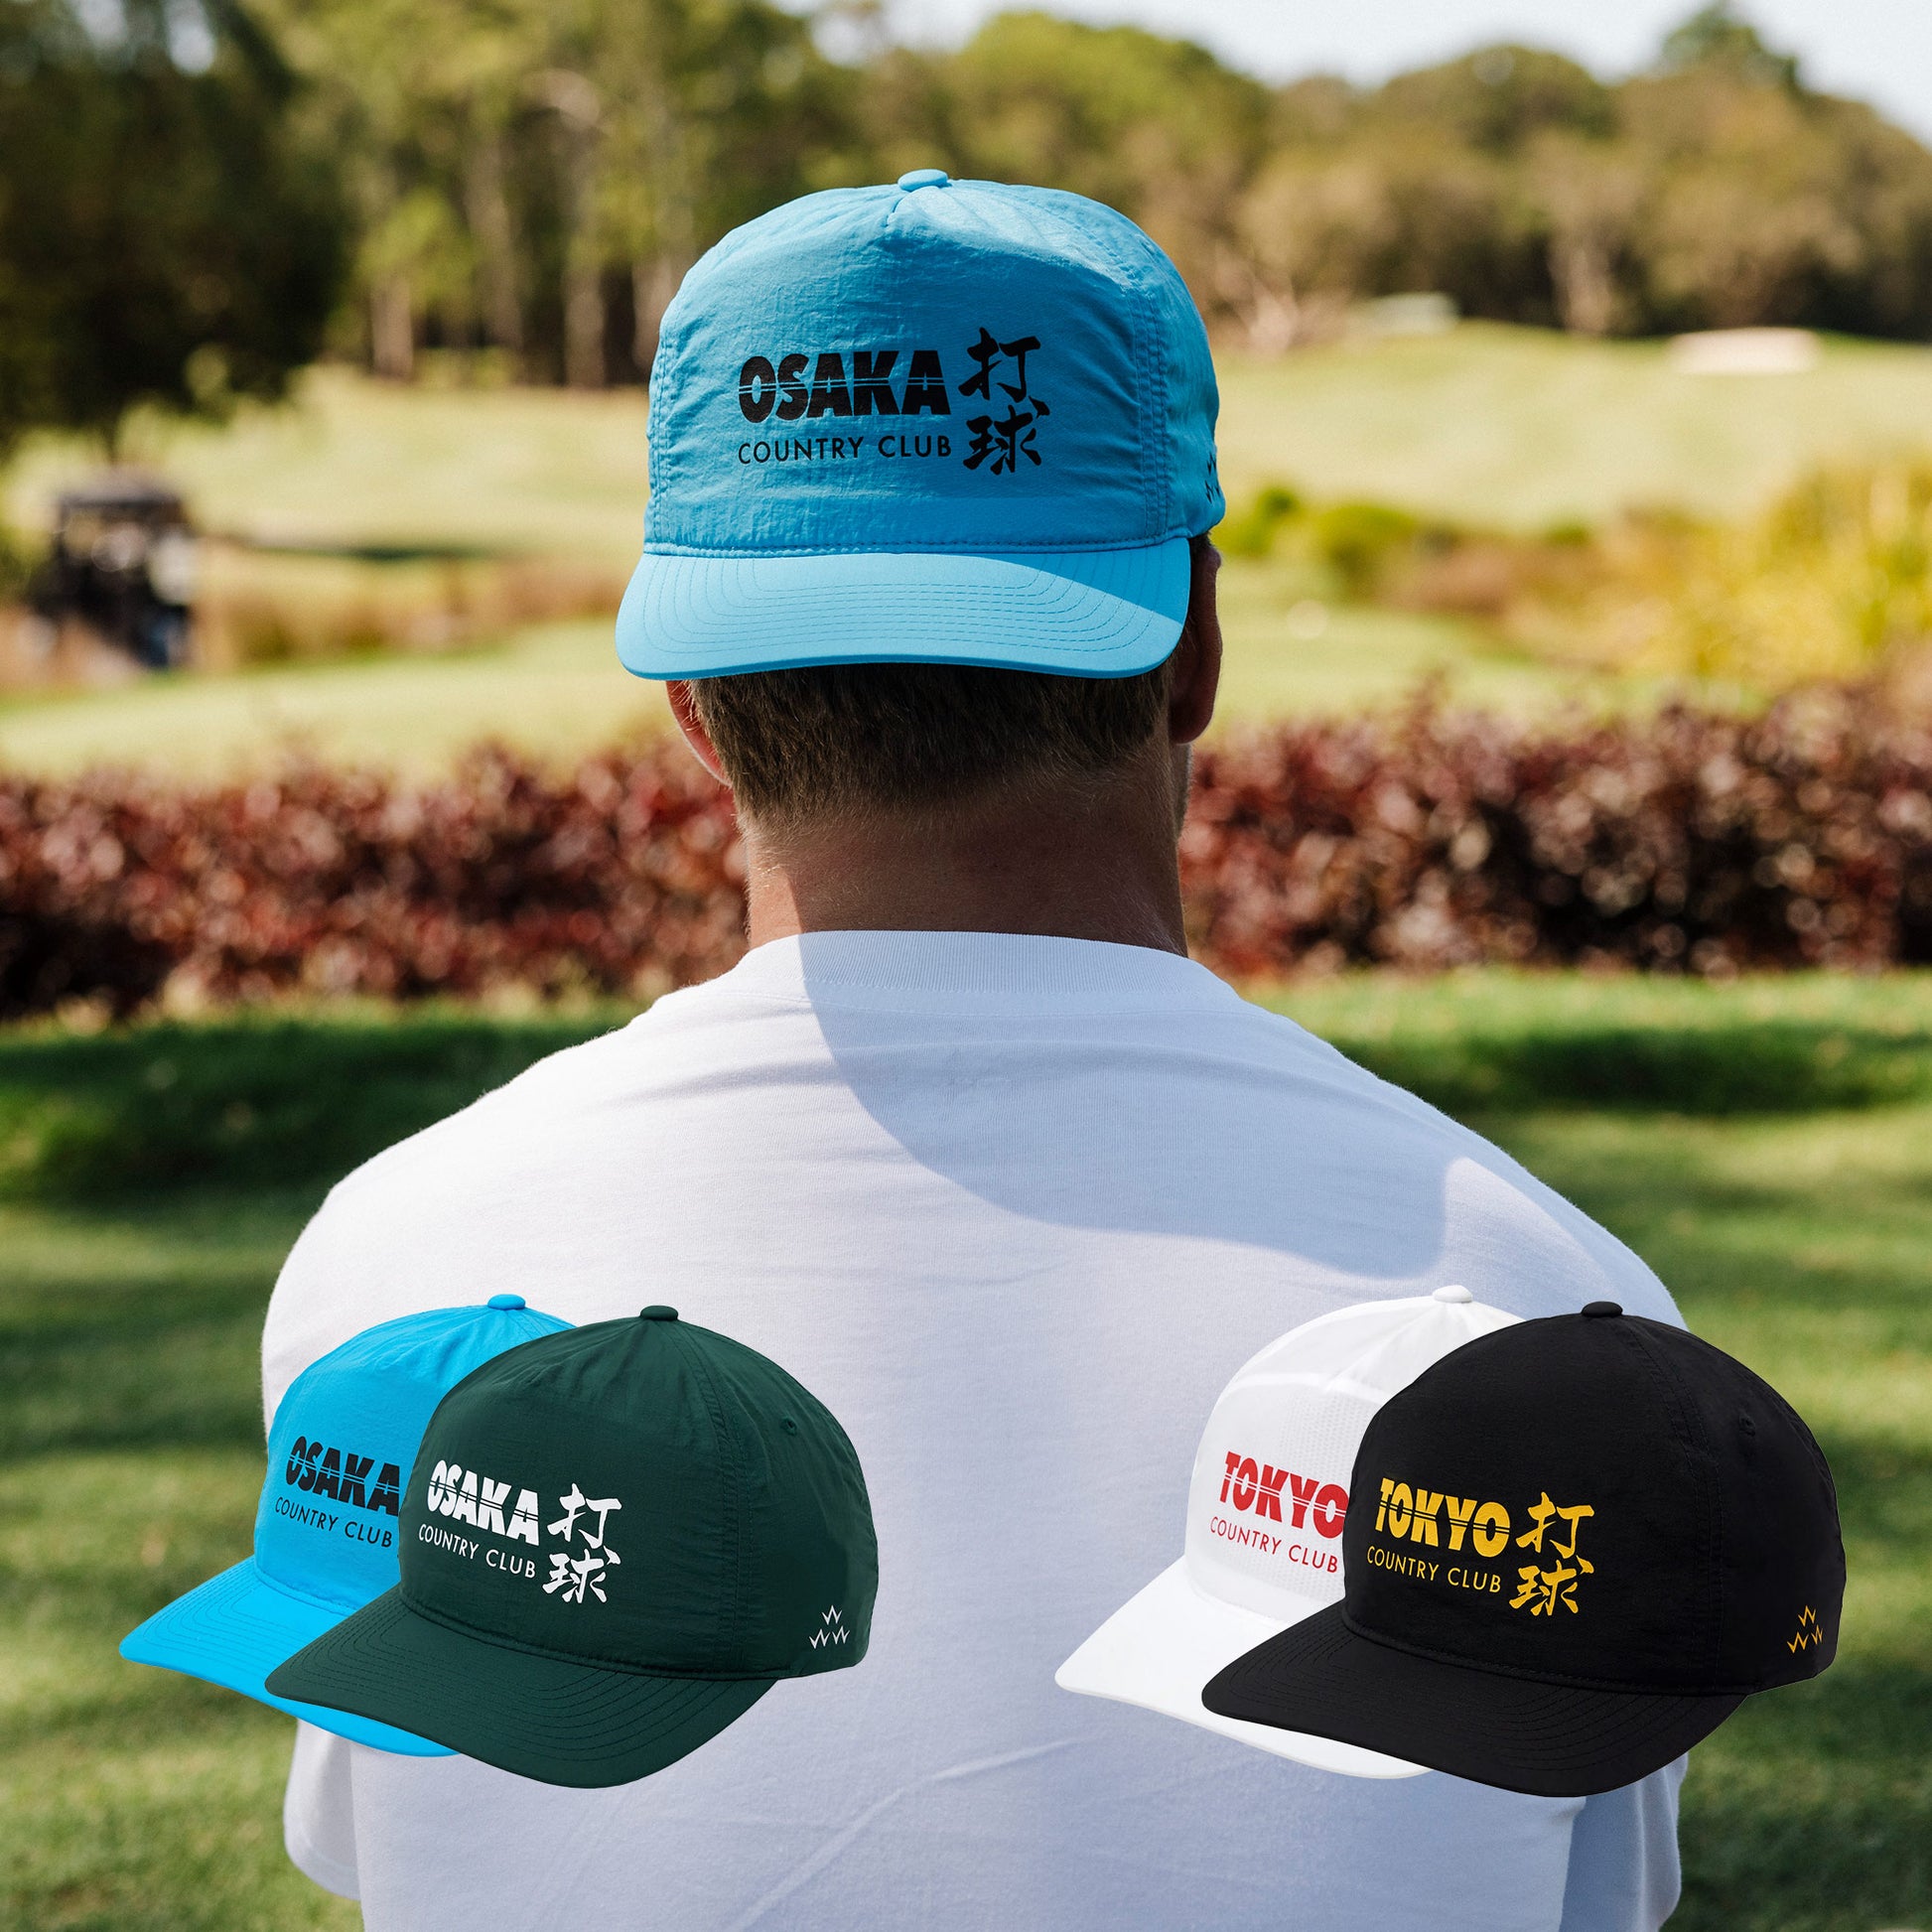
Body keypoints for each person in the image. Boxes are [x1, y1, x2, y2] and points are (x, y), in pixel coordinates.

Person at [263, 174, 1686, 1929]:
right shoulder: (1552, 1308)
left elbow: (393, 1848)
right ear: (1194, 648)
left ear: (694, 705)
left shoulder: (391, 1262)